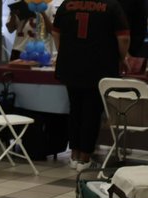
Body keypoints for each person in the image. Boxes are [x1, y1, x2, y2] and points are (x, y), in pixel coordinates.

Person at [52, 0, 129, 170]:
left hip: (70, 66)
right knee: (91, 112)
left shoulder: (66, 4)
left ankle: (74, 156)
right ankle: (85, 158)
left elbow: (56, 33)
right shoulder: (112, 6)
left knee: (75, 110)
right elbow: (123, 38)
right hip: (99, 67)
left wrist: (66, 53)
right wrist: (122, 59)